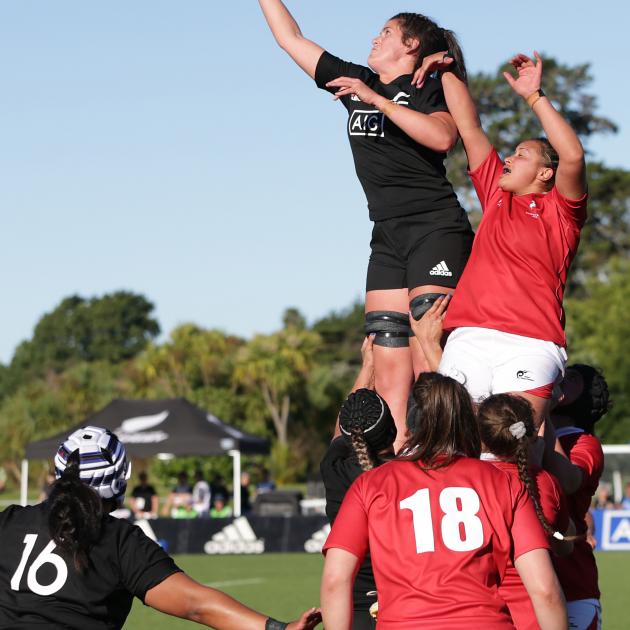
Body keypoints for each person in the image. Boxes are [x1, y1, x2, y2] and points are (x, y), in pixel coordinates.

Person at [259, 0, 474, 448]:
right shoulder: (360, 81)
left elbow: (443, 136)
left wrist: (376, 99)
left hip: (434, 229)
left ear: (411, 45)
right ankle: (395, 465)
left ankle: (454, 455)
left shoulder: (428, 84)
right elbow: (290, 39)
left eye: (386, 32)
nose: (375, 38)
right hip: (387, 236)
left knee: (427, 356)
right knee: (387, 364)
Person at [413, 50, 587, 428]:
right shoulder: (496, 194)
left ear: (544, 173)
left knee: (513, 449)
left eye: (522, 153)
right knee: (460, 444)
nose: (508, 156)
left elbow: (571, 155)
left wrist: (534, 97)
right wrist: (448, 69)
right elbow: (470, 127)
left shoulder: (562, 213)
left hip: (530, 343)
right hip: (469, 338)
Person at [0, 426, 321, 630]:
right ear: (117, 480)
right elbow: (197, 605)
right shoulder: (119, 540)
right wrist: (279, 629)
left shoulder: (9, 521)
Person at [321, 373, 567, 629]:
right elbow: (545, 590)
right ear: (469, 425)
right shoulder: (504, 482)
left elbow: (335, 580)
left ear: (407, 427)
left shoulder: (370, 484)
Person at [477, 393, 575, 629]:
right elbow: (565, 544)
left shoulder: (464, 481)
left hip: (478, 615)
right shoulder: (544, 482)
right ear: (529, 434)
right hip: (534, 617)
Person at [320, 337, 396, 629]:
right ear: (392, 430)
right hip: (401, 607)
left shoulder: (334, 467)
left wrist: (367, 367)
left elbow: (344, 430)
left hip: (354, 612)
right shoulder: (407, 474)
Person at [547, 364, 610, 630]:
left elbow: (567, 481)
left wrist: (541, 416)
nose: (560, 376)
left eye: (571, 378)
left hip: (573, 587)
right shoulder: (526, 430)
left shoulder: (585, 443)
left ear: (586, 397)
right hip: (526, 585)